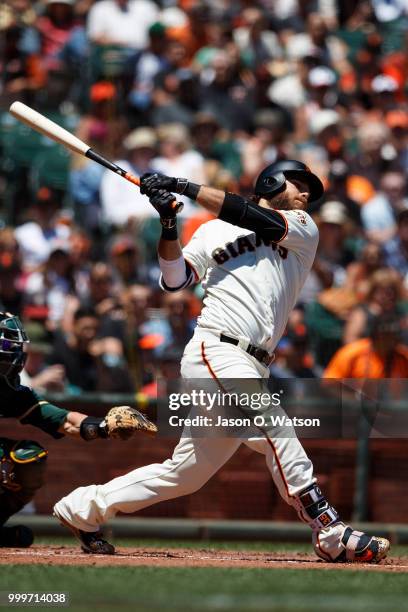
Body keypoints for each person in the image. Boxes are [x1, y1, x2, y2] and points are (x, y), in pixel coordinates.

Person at [54, 160, 390, 563]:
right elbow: (175, 278)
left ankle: (84, 507)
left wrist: (181, 185)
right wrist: (167, 223)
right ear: (270, 181)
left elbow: (246, 212)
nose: (305, 195)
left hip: (253, 362)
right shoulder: (213, 230)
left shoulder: (303, 227)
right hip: (217, 349)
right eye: (298, 184)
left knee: (186, 473)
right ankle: (329, 528)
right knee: (273, 423)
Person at [0, 312, 155, 551]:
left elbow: (64, 421)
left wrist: (105, 426)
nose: (12, 350)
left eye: (13, 344)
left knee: (28, 458)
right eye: (7, 344)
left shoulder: (9, 390)